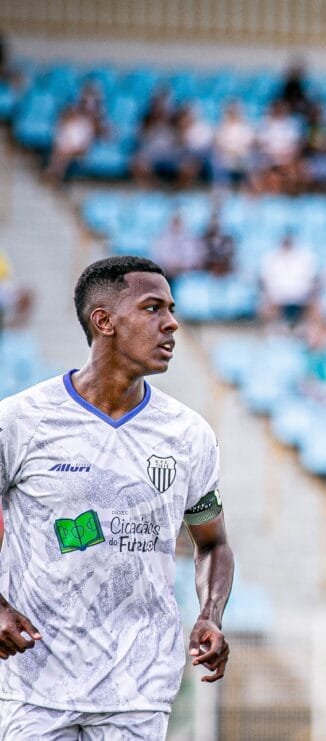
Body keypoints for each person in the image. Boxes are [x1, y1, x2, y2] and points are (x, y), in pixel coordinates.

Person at [0, 256, 233, 737]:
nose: (171, 323)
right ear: (103, 321)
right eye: (152, 308)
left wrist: (210, 615)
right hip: (33, 685)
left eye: (171, 310)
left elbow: (213, 543)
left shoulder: (188, 435)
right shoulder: (20, 421)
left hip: (138, 691)